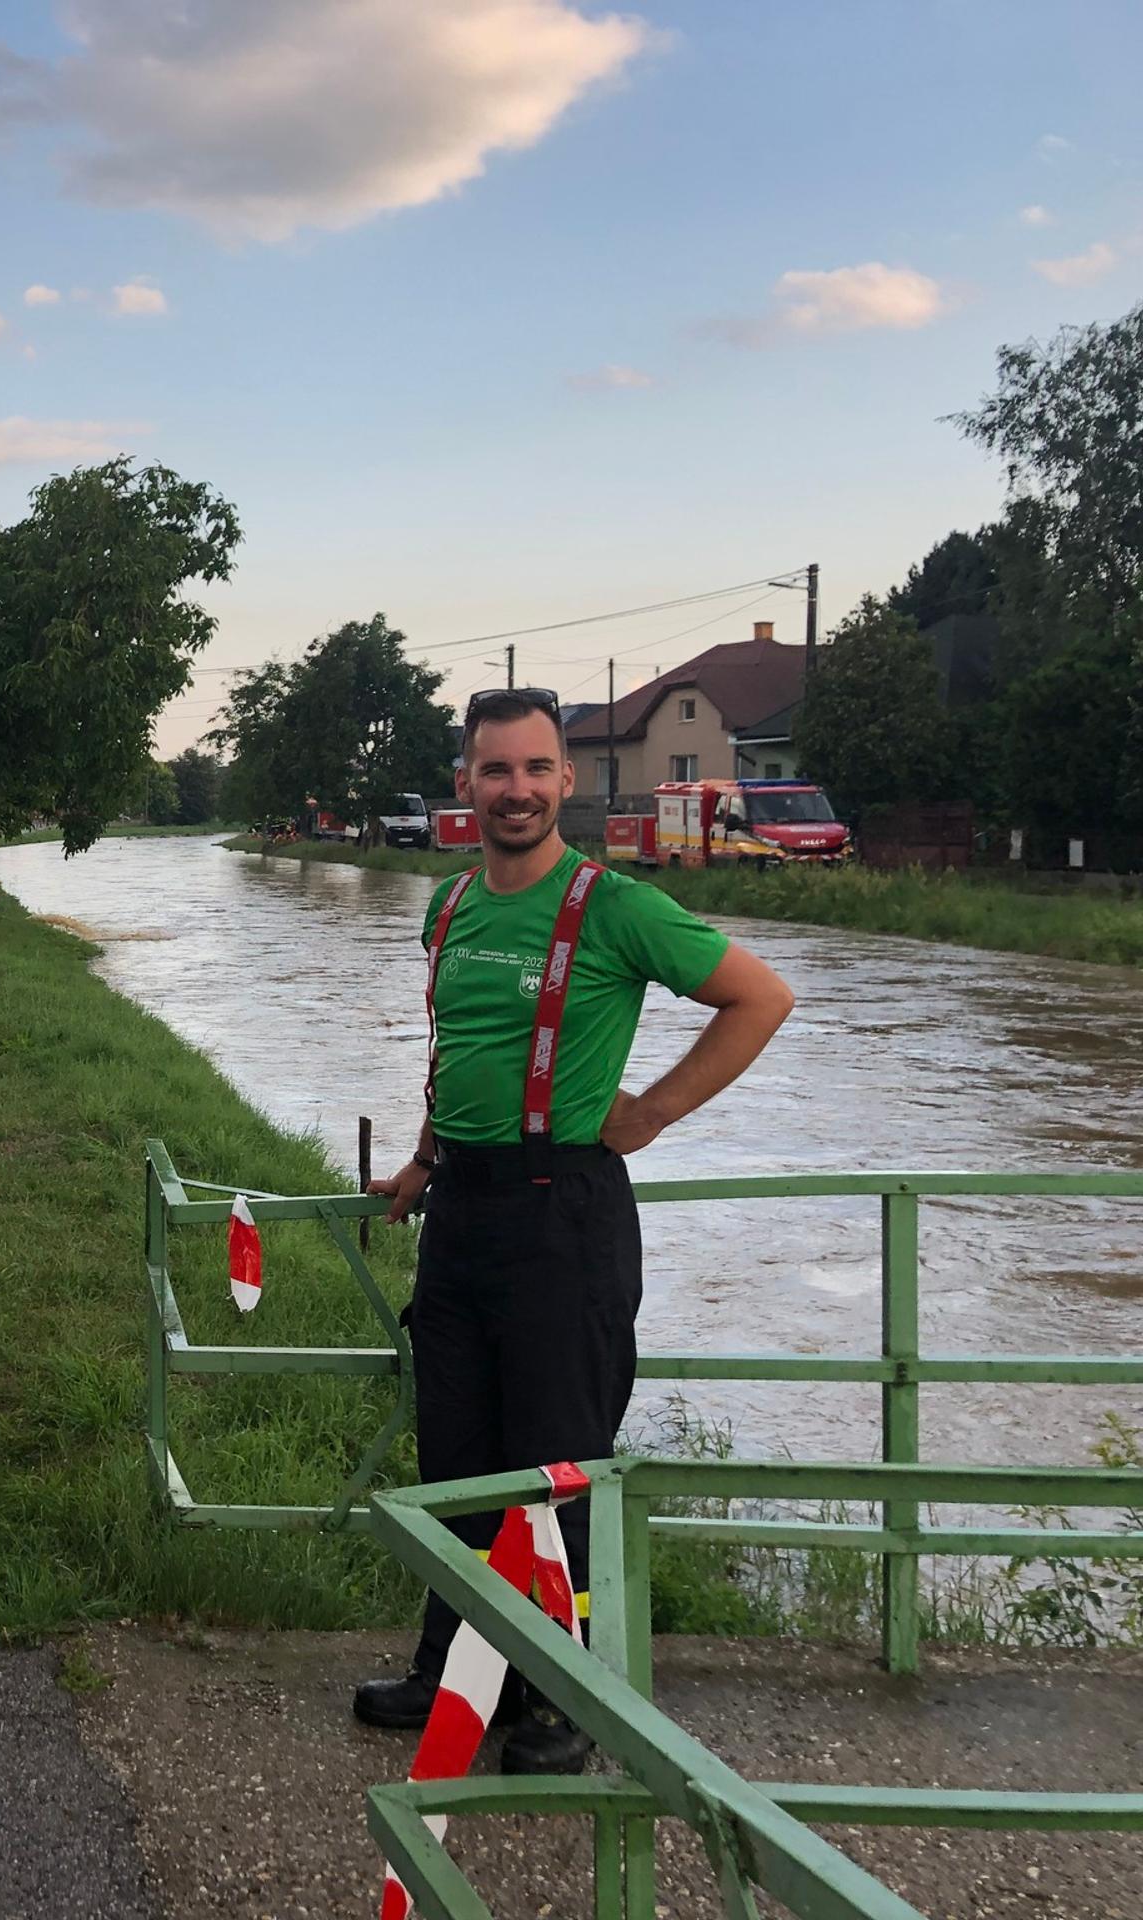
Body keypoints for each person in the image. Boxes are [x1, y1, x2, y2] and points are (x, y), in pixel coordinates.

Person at [356, 687, 794, 1774]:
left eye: (537, 769)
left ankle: (567, 1695)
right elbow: (459, 1052)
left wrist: (646, 1114)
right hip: (462, 1215)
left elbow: (761, 999)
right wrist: (423, 1157)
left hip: (567, 1219)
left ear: (566, 781)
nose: (517, 790)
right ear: (464, 784)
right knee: (456, 1457)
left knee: (556, 1468)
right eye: (495, 770)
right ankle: (455, 1665)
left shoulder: (614, 906)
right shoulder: (445, 908)